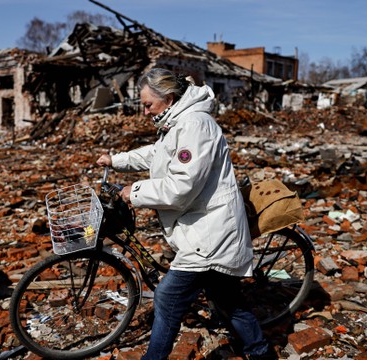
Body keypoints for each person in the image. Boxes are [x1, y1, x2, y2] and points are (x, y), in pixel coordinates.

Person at [96, 68, 274, 360]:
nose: (144, 111)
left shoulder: (195, 125)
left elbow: (182, 186)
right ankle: (260, 351)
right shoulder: (178, 122)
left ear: (168, 98)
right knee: (226, 298)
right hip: (202, 225)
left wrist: (135, 192)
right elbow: (158, 153)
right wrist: (117, 160)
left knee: (167, 297)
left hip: (210, 231)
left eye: (147, 105)